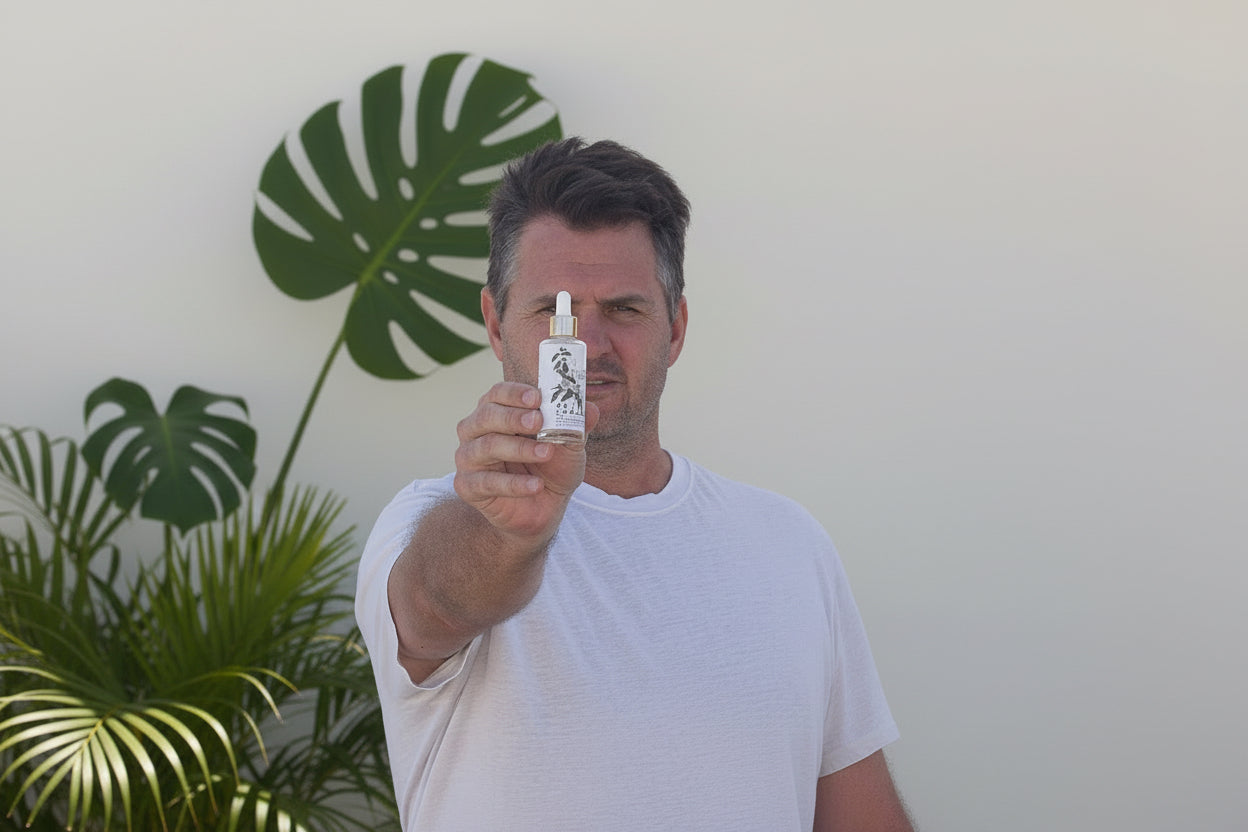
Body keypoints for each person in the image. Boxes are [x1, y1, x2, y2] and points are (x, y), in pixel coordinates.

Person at [355, 137, 914, 831]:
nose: (586, 344)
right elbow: (436, 608)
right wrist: (508, 527)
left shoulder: (789, 543)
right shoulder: (434, 522)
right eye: (552, 314)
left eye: (624, 309)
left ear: (675, 329)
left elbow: (860, 817)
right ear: (497, 325)